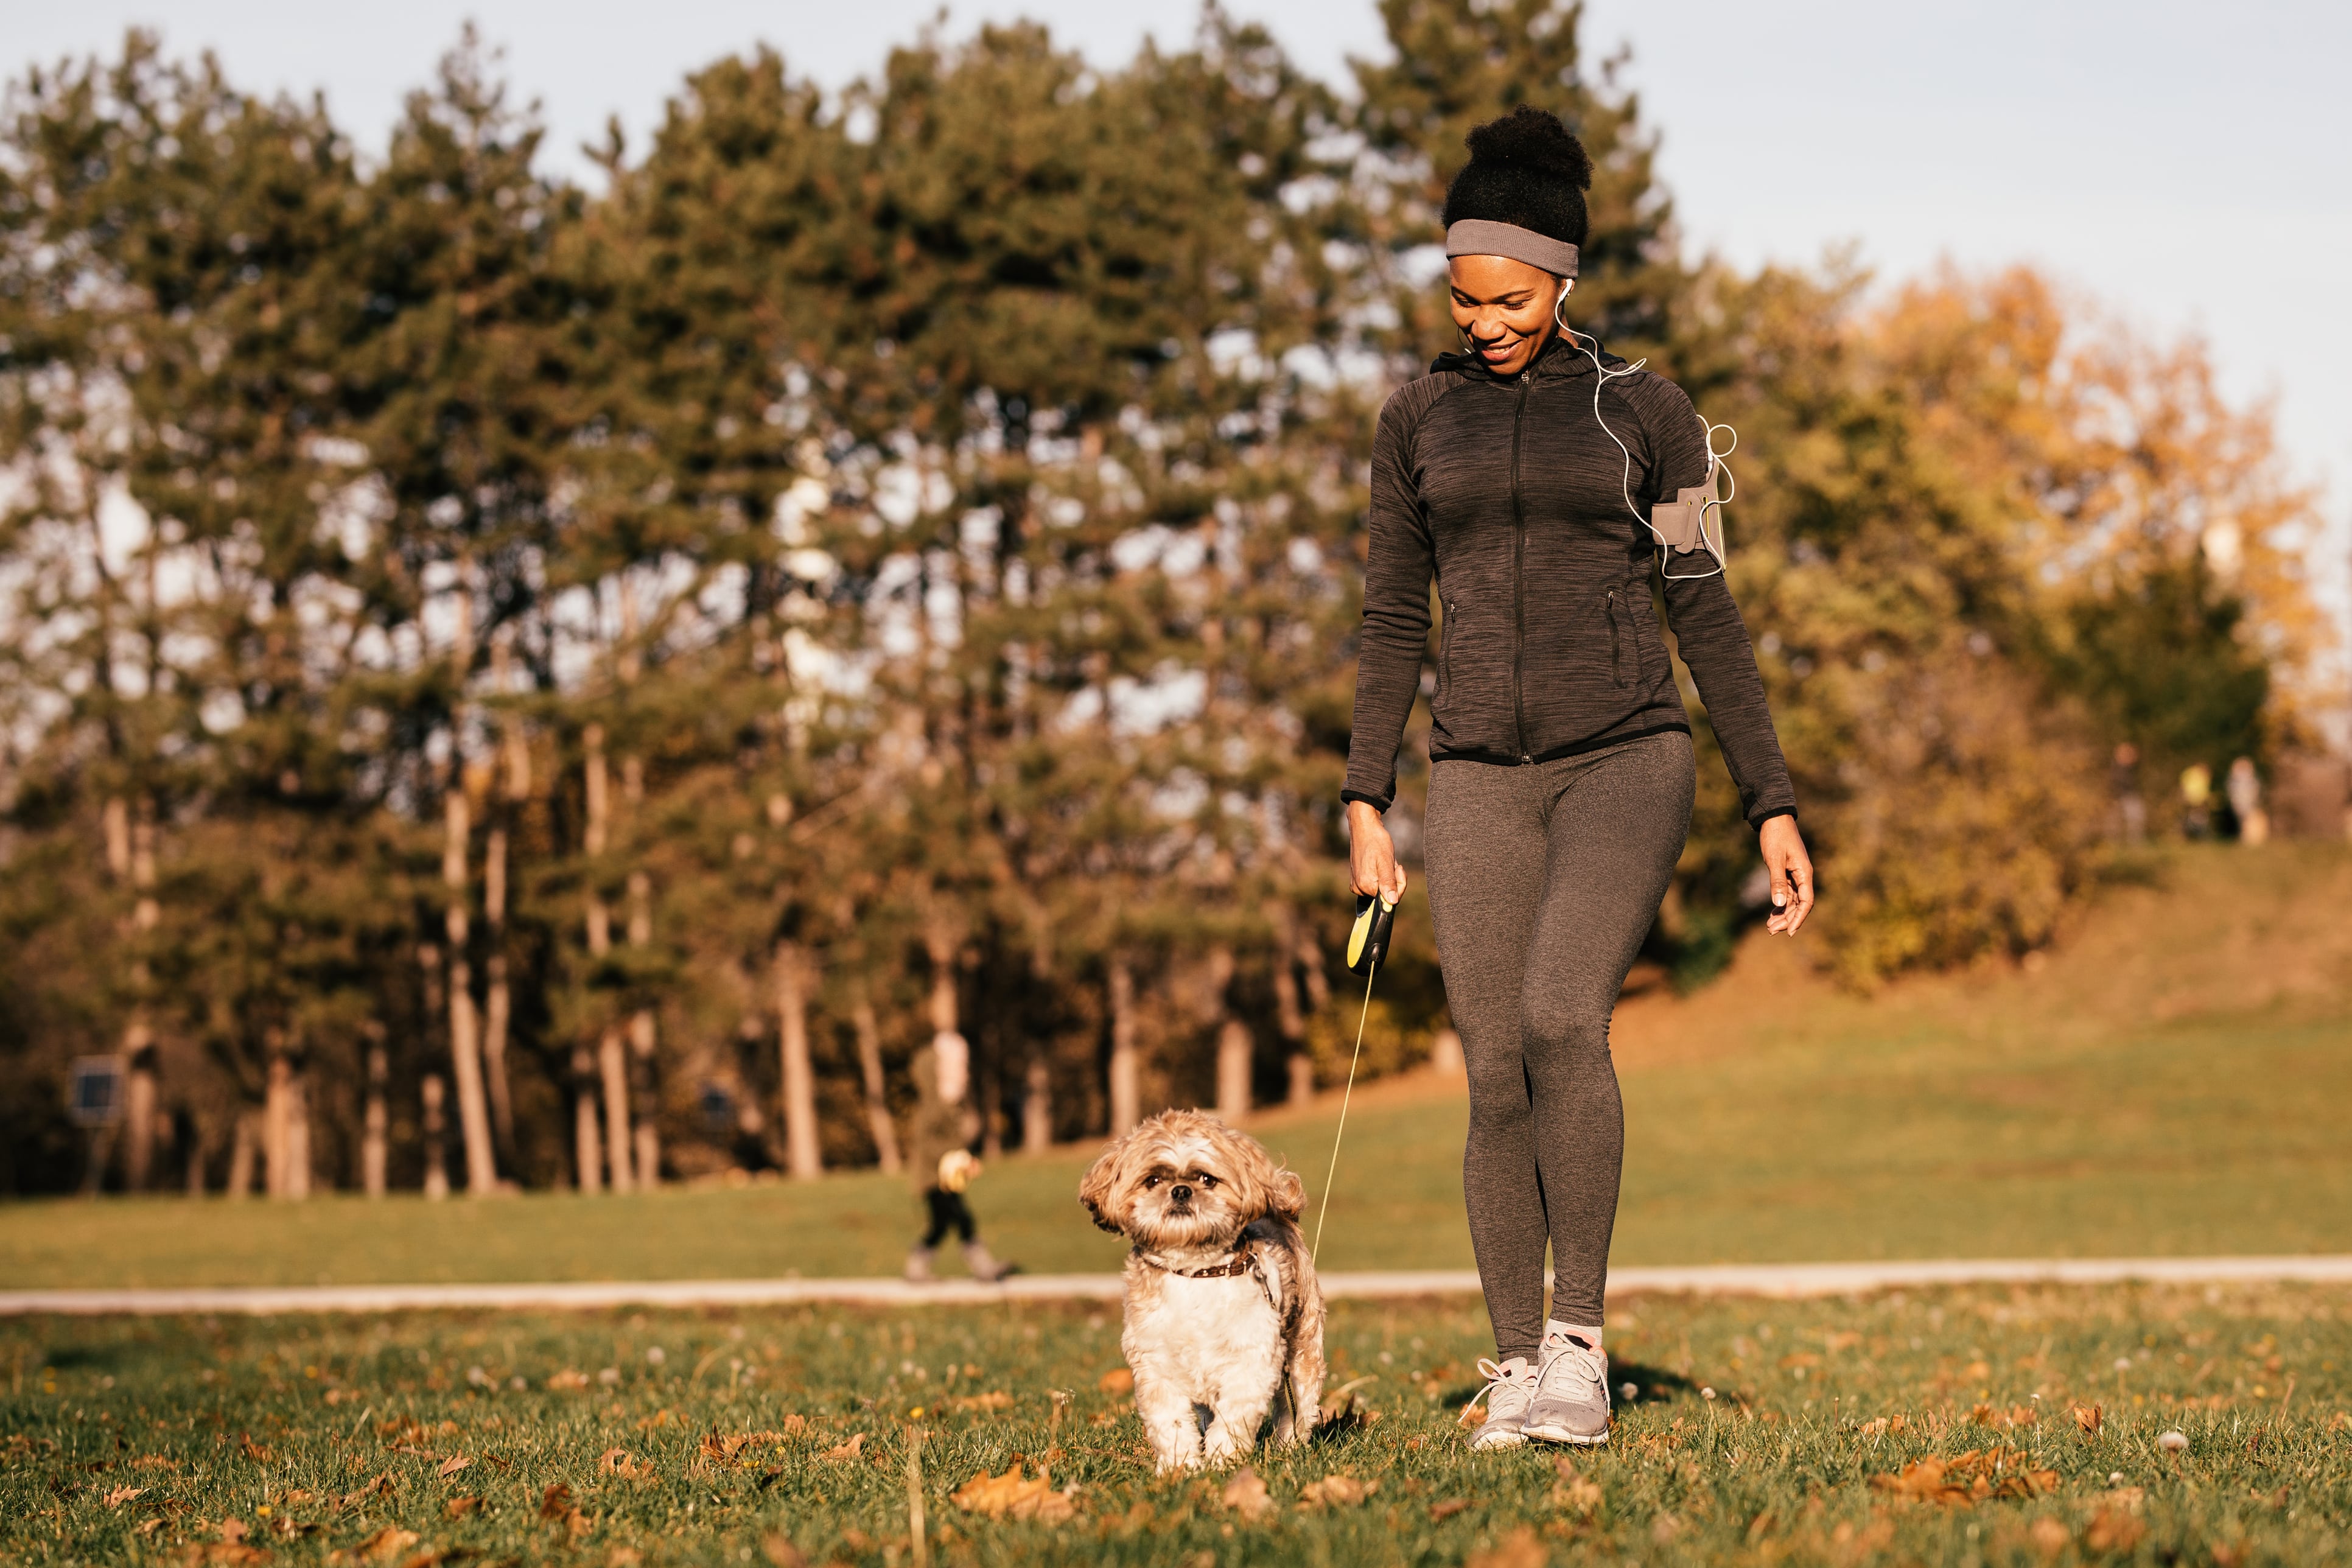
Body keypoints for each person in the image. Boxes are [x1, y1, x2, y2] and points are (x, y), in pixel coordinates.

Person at [1341, 107, 1815, 1451]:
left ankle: (1580, 1347)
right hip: (1478, 773)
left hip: (1626, 760)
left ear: (1563, 281)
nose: (1484, 318)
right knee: (1494, 1068)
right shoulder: (1414, 421)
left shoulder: (1651, 417)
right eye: (1463, 294)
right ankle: (1512, 1367)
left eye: (1511, 296)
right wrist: (1363, 797)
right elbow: (1390, 616)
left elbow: (1706, 606)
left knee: (1561, 1017)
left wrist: (1770, 796)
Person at [901, 1030, 1009, 1283]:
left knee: (942, 1224)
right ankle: (982, 1268)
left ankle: (917, 1268)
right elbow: (926, 1141)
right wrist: (957, 1159)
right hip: (934, 1176)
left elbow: (951, 1139)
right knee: (961, 1219)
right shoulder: (934, 1107)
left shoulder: (950, 1105)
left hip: (945, 1175)